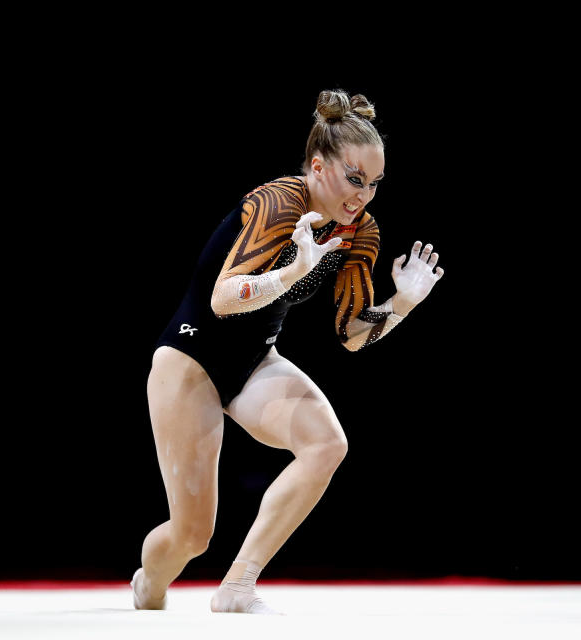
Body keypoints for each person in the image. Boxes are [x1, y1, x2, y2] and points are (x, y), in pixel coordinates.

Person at [131, 89, 443, 614]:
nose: (363, 196)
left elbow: (351, 334)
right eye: (354, 178)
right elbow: (223, 299)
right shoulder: (281, 200)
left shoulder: (358, 230)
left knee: (326, 444)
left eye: (374, 184)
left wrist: (403, 303)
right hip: (190, 360)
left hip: (254, 360)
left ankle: (237, 586)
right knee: (191, 537)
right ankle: (149, 586)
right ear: (318, 166)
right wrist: (294, 270)